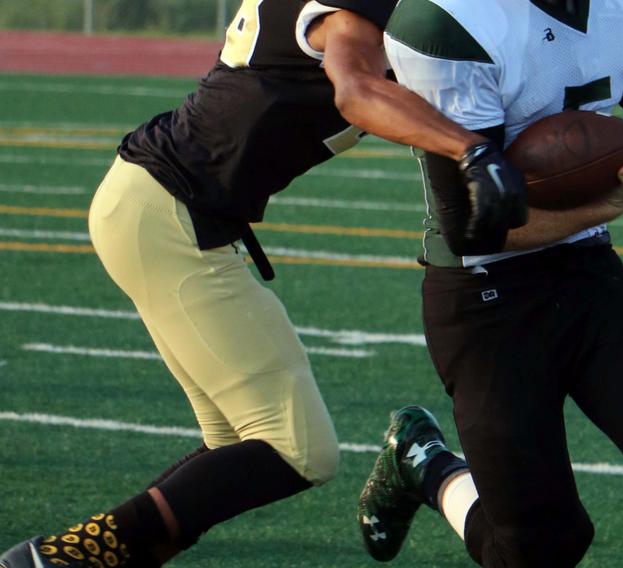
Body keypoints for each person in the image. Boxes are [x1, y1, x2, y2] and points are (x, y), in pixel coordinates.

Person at [0, 1, 530, 567]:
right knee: (298, 448)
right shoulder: (354, 15)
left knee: (234, 446)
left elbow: (387, 101)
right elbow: (357, 92)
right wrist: (471, 149)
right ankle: (58, 559)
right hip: (168, 214)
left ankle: (86, 558)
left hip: (158, 207)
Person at [357, 0, 623, 566]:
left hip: (586, 274)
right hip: (483, 299)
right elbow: (471, 227)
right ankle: (424, 464)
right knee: (540, 545)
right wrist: (599, 207)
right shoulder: (452, 20)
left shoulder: (620, 7)